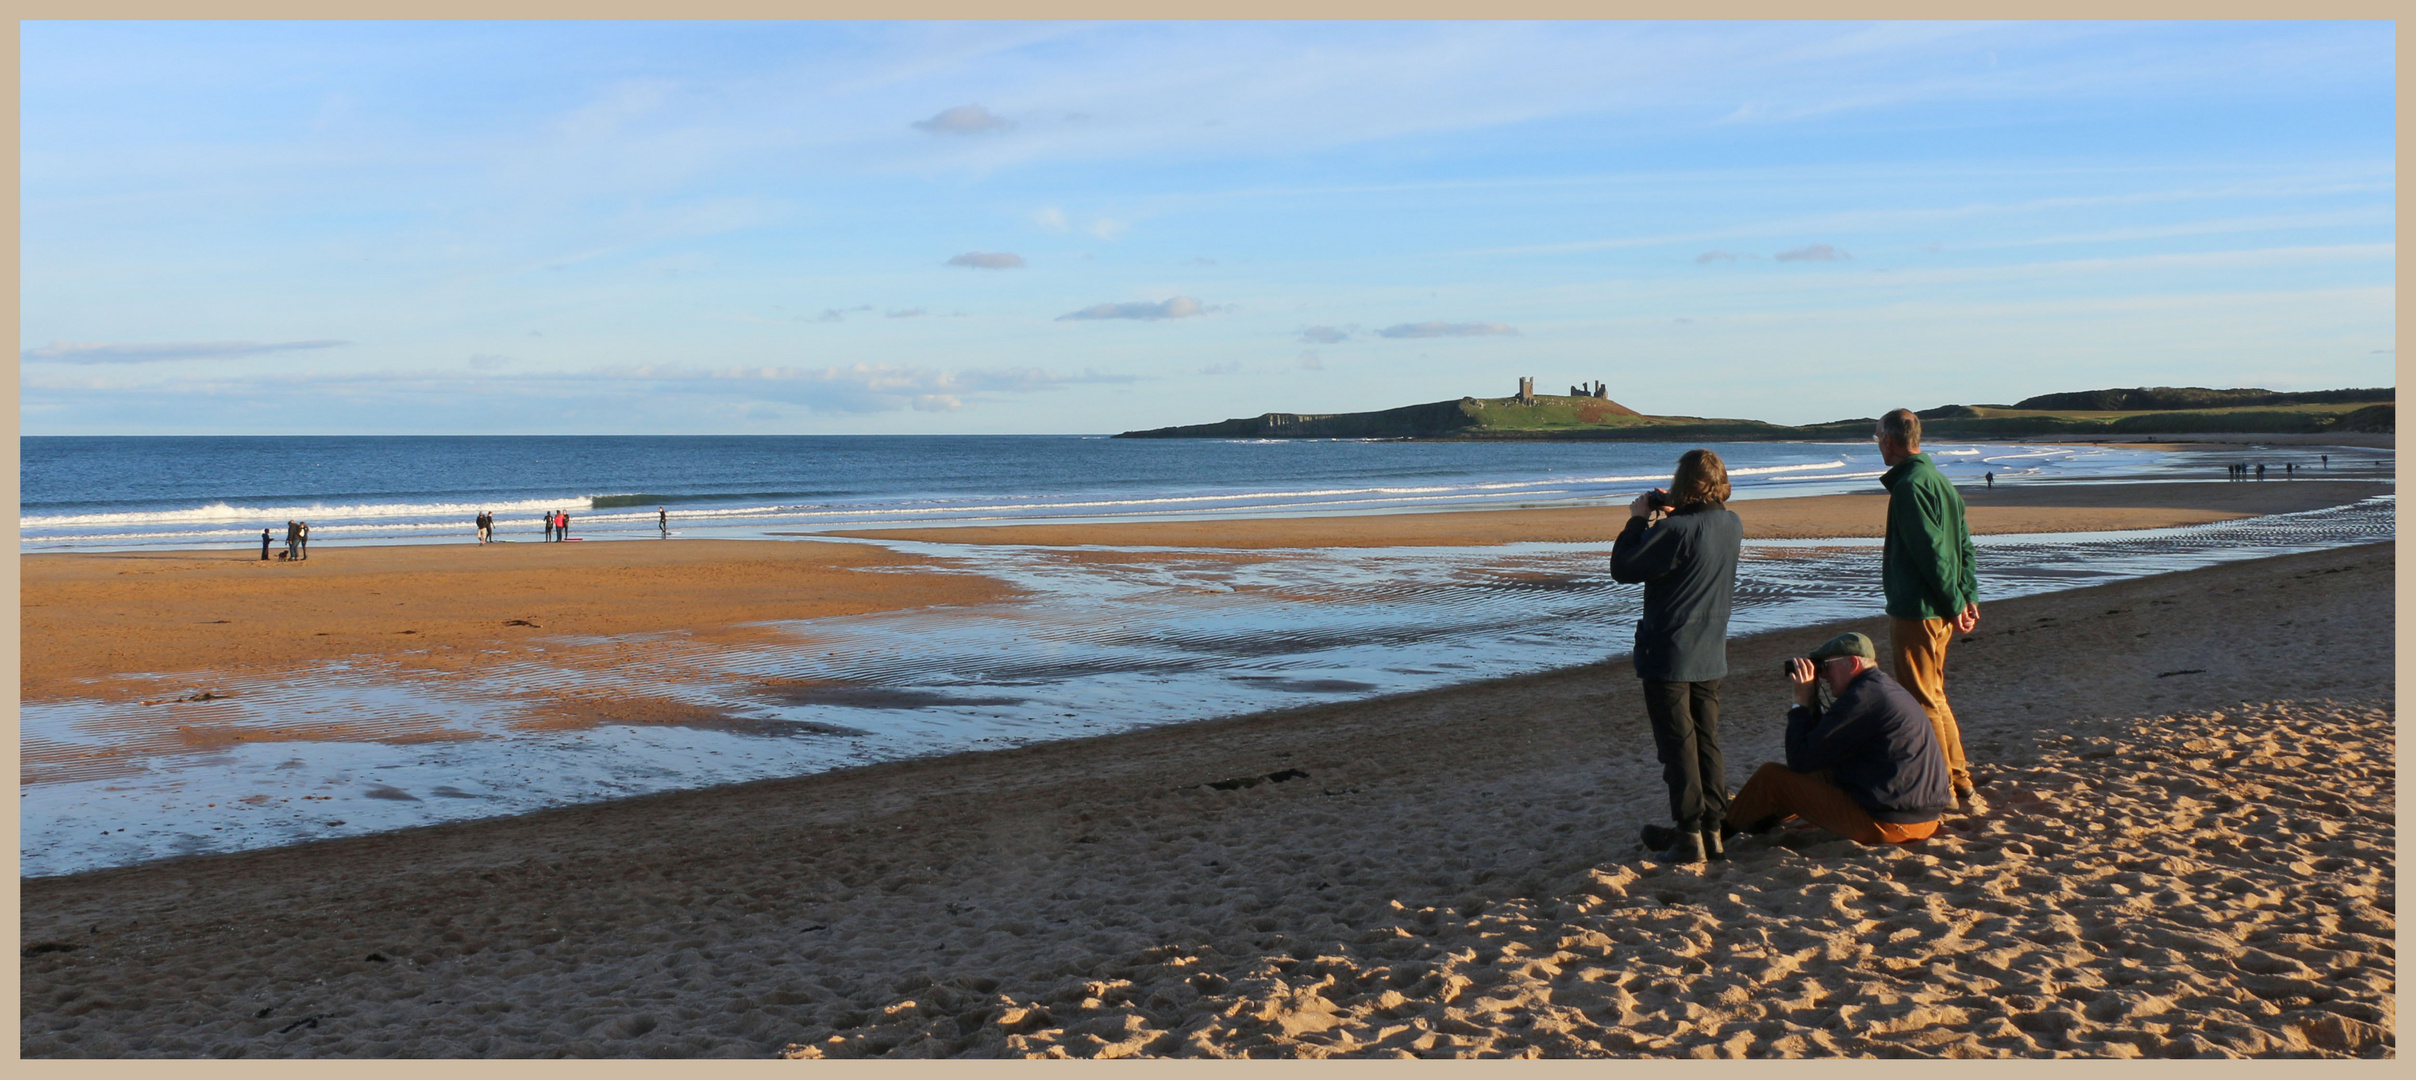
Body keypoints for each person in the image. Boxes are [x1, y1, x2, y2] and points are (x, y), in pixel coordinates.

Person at [1612, 449, 1744, 864]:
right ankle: (1713, 828)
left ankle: (1689, 834)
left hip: (1669, 651)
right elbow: (1691, 546)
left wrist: (1638, 519)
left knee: (1678, 747)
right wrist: (1672, 513)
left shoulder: (1678, 531)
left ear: (1683, 482)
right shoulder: (1730, 523)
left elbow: (1624, 566)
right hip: (1710, 648)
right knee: (1705, 740)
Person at [1723, 632, 1951, 845]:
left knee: (1771, 776)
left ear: (1852, 663)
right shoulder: (1883, 689)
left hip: (1891, 825)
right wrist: (1813, 700)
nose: (1822, 675)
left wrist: (1801, 703)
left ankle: (1721, 830)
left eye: (1826, 667)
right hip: (1922, 818)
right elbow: (1819, 751)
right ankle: (1758, 819)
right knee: (1820, 772)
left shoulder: (1861, 699)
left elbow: (1799, 760)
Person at [1875, 408, 1980, 808]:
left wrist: (1959, 601)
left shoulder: (1911, 486)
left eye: (1878, 439)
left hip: (1919, 609)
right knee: (1934, 695)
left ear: (1890, 439)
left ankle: (1945, 788)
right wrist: (1965, 597)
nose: (1878, 446)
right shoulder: (1939, 482)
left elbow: (1934, 552)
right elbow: (1964, 547)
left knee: (1922, 700)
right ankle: (1960, 780)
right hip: (1939, 606)